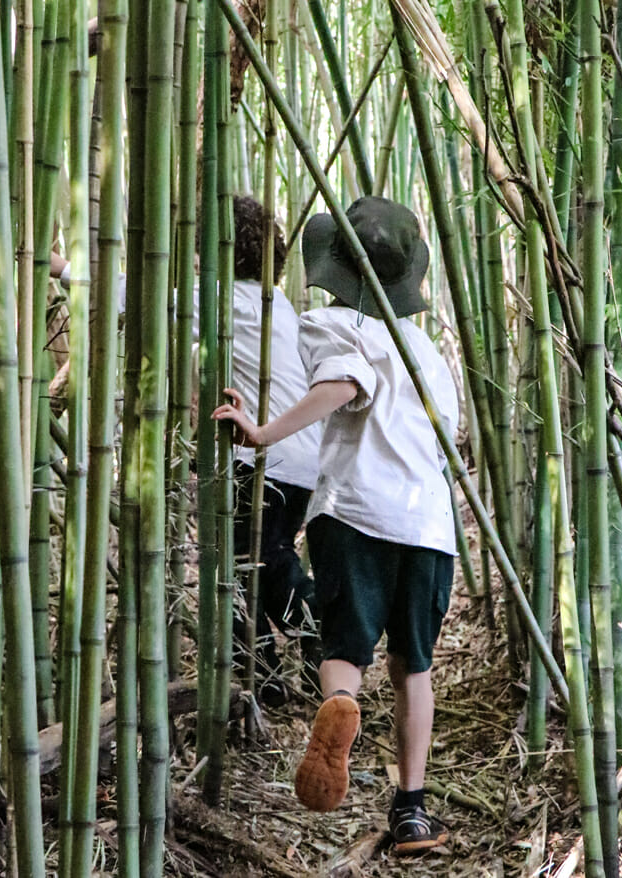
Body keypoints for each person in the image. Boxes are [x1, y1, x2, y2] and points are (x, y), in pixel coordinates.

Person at [212, 196, 459, 855]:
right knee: (415, 666)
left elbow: (342, 385)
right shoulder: (428, 355)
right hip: (430, 523)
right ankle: (411, 808)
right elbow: (446, 441)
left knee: (344, 649)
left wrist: (262, 430)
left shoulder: (335, 327)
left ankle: (340, 705)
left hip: (355, 512)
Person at [53, 196, 323, 706]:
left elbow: (136, 293)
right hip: (302, 455)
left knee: (258, 561)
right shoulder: (274, 303)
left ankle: (320, 636)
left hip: (264, 457)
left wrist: (63, 269)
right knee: (246, 563)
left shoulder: (219, 298)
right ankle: (263, 676)